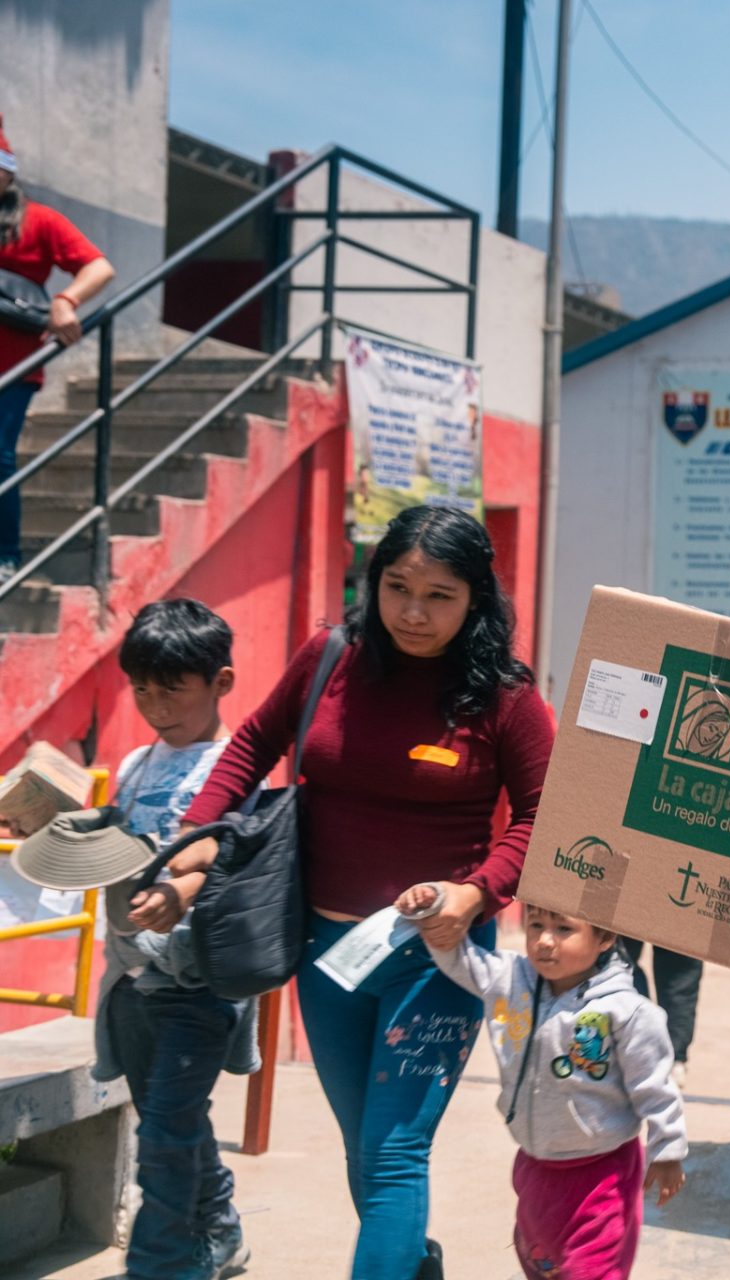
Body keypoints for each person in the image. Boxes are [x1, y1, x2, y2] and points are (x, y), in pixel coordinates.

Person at [166, 505, 556, 1280]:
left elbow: (547, 816)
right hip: (325, 954)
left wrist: (477, 894)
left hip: (438, 959)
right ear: (373, 581)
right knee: (365, 1149)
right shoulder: (329, 657)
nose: (413, 612)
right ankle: (413, 1265)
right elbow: (253, 742)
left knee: (394, 1153)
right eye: (398, 586)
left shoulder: (505, 696)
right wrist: (198, 834)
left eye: (439, 596)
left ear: (476, 599)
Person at [397, 887, 688, 1279]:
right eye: (535, 925)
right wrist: (430, 908)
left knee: (592, 1271)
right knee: (541, 1265)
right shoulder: (511, 979)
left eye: (563, 929)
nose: (545, 941)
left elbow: (654, 1086)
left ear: (605, 937)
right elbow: (459, 958)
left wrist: (667, 1148)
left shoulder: (627, 1012)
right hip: (534, 1169)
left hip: (602, 1176)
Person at [94, 600, 254, 1280]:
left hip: (199, 987)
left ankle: (160, 1265)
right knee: (173, 1120)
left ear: (221, 682)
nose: (155, 706)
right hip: (131, 980)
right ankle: (221, 1229)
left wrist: (184, 887)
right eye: (142, 690)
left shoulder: (238, 767)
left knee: (163, 1134)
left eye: (172, 689)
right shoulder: (134, 765)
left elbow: (242, 864)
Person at [0, 113, 116, 583]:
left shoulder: (39, 221)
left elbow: (98, 267)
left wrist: (66, 301)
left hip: (13, 367)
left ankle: (6, 556)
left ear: (7, 173)